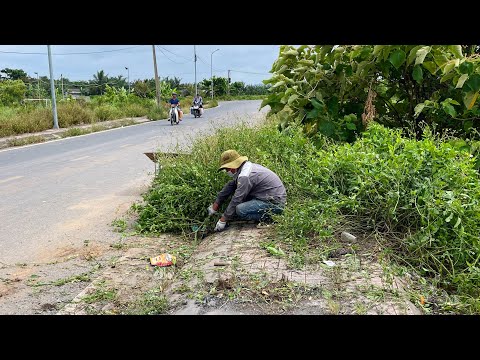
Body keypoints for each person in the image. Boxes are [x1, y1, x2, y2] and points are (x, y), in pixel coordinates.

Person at [207, 149, 287, 232]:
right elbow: (230, 186)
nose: (227, 171)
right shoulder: (246, 167)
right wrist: (216, 205)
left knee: (240, 210)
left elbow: (237, 199)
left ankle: (272, 217)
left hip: (275, 203)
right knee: (240, 203)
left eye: (227, 169)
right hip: (269, 197)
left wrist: (223, 220)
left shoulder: (245, 176)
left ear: (233, 167)